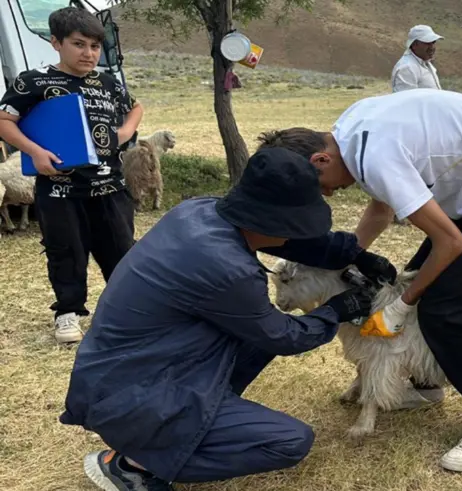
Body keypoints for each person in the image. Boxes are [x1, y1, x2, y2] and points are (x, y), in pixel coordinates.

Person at [59, 146, 397, 490]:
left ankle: (195, 420)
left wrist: (354, 254)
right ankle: (136, 464)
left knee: (257, 338)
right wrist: (336, 310)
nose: (302, 233)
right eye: (300, 224)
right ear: (275, 222)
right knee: (289, 440)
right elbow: (285, 337)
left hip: (122, 370)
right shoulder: (229, 269)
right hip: (132, 394)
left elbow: (290, 245)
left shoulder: (199, 211)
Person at [255, 88, 462, 473]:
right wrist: (346, 258)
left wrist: (403, 304)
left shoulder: (375, 156)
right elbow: (380, 211)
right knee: (412, 280)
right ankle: (427, 385)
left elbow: (451, 243)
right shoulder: (349, 130)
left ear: (320, 158)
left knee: (442, 312)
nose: (328, 193)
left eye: (320, 186)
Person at [0, 7, 144, 344]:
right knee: (66, 251)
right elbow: (4, 121)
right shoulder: (33, 82)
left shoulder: (107, 82)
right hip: (60, 190)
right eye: (79, 44)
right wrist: (35, 152)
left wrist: (123, 133)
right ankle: (68, 313)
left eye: (95, 46)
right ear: (56, 42)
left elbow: (135, 108)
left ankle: (128, 312)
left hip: (110, 187)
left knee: (122, 251)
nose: (88, 54)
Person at [391, 25, 444, 92]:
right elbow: (407, 100)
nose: (432, 47)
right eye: (427, 43)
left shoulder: (424, 63)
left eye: (433, 42)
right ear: (414, 45)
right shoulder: (407, 68)